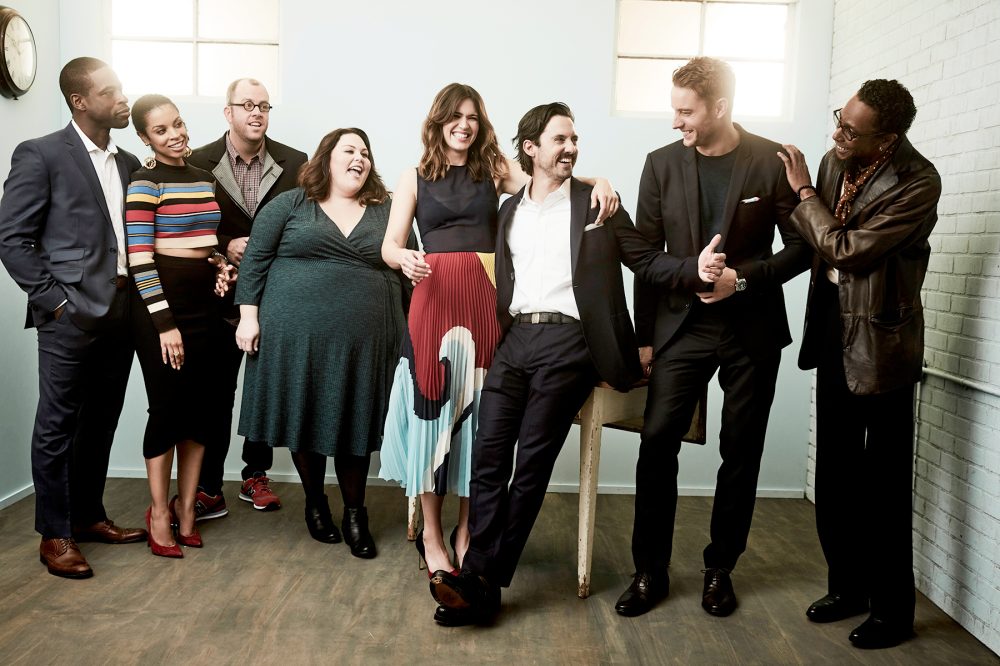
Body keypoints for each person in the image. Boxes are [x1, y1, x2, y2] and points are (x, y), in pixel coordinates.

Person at [429, 102, 682, 626]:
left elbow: (645, 260)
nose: (571, 148)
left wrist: (694, 272)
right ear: (531, 149)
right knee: (488, 461)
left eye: (574, 139)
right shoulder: (508, 211)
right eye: (560, 140)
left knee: (531, 467)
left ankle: (481, 582)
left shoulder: (596, 203)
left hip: (571, 344)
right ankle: (480, 584)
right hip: (514, 340)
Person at [378, 83, 620, 577]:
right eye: (455, 117)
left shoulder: (493, 170)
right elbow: (390, 244)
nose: (464, 125)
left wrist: (600, 181)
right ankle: (430, 533)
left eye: (473, 116)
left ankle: (468, 531)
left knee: (480, 424)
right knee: (432, 417)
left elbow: (549, 176)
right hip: (435, 300)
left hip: (486, 303)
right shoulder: (414, 176)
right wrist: (403, 258)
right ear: (438, 121)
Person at [617, 57, 810, 618]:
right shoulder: (659, 165)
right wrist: (644, 339)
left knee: (741, 451)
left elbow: (802, 247)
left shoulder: (771, 162)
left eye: (686, 111)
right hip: (680, 329)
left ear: (720, 108)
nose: (675, 121)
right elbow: (647, 255)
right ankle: (649, 571)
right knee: (656, 445)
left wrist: (740, 281)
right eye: (674, 108)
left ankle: (719, 569)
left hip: (751, 330)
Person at [778, 79, 940, 649]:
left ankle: (893, 612)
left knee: (885, 486)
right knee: (836, 474)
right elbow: (825, 243)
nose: (837, 135)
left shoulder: (918, 183)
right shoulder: (831, 160)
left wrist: (802, 195)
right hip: (831, 334)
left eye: (851, 129)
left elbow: (848, 250)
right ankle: (848, 587)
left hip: (882, 347)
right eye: (838, 120)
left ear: (888, 138)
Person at [0, 57, 147, 578]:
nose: (123, 98)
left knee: (100, 421)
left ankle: (88, 517)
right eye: (111, 92)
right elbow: (12, 238)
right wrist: (54, 302)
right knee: (57, 426)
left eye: (122, 87)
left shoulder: (129, 161)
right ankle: (55, 534)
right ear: (80, 102)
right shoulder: (40, 154)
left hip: (122, 315)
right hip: (67, 317)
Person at [234, 128, 408, 558]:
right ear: (326, 159)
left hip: (367, 342)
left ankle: (355, 513)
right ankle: (315, 503)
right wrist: (248, 317)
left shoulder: (387, 209)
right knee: (305, 415)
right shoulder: (290, 205)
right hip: (295, 339)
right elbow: (254, 260)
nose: (359, 158)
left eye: (365, 152)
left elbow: (409, 269)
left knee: (356, 422)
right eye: (349, 150)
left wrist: (416, 335)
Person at [187, 78, 308, 519]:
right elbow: (183, 225)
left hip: (276, 298)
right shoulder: (197, 161)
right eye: (247, 105)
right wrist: (224, 244)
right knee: (215, 394)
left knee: (262, 391)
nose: (257, 113)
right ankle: (209, 487)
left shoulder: (296, 162)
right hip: (216, 299)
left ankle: (255, 475)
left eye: (264, 106)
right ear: (228, 112)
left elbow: (305, 221)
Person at [125, 94, 226, 557]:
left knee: (201, 410)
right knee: (167, 409)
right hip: (161, 310)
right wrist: (164, 323)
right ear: (145, 139)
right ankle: (158, 512)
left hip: (206, 306)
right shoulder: (144, 182)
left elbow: (206, 241)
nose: (175, 134)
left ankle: (187, 510)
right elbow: (140, 257)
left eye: (178, 124)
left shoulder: (204, 178)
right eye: (161, 130)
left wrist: (221, 264)